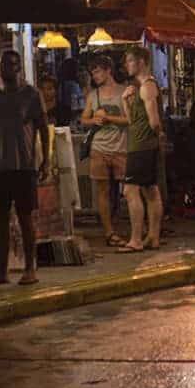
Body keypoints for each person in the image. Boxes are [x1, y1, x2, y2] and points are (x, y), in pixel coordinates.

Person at [0, 50, 51, 285]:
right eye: (3, 65)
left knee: (25, 218)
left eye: (11, 65)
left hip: (24, 166)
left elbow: (43, 128)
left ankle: (30, 268)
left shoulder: (31, 95)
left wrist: (46, 160)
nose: (6, 70)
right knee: (0, 220)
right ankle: (1, 271)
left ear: (19, 67)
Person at [119, 47, 165, 251]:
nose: (127, 65)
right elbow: (131, 121)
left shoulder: (147, 86)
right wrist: (125, 100)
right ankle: (153, 237)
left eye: (130, 61)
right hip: (140, 143)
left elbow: (154, 121)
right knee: (150, 190)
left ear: (141, 62)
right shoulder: (138, 88)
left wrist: (159, 136)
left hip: (142, 146)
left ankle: (136, 239)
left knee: (130, 191)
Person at [80, 56, 128, 247]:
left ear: (109, 70)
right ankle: (109, 231)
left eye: (98, 71)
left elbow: (130, 119)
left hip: (121, 147)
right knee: (103, 190)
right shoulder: (93, 95)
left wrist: (109, 118)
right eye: (93, 73)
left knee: (129, 189)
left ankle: (131, 228)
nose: (95, 76)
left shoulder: (124, 92)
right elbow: (84, 119)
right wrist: (93, 120)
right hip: (99, 147)